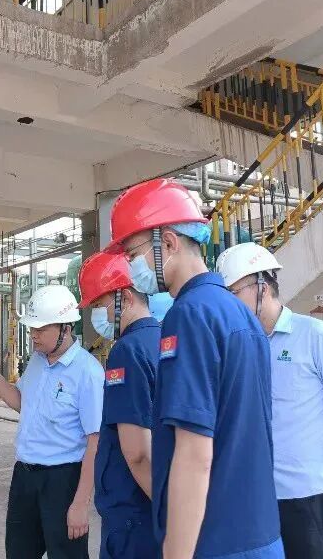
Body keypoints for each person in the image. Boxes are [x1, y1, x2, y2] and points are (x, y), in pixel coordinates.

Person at [108, 178, 284, 559]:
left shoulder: (188, 315)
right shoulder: (240, 313)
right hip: (259, 534)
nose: (131, 268)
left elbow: (194, 453)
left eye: (133, 254)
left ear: (169, 243)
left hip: (213, 540)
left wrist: (176, 551)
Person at [217, 242, 323, 559]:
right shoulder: (240, 347)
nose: (228, 304)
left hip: (312, 494)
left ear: (263, 285)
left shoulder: (316, 336)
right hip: (262, 498)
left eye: (233, 293)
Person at [0, 284, 104, 559]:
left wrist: (81, 504)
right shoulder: (37, 361)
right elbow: (23, 403)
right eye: (32, 328)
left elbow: (95, 442)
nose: (33, 335)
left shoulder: (88, 372)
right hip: (24, 476)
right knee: (19, 553)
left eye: (41, 328)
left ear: (65, 328)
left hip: (62, 480)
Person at [78, 251, 159, 558]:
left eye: (99, 305)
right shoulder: (163, 339)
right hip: (150, 509)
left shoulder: (126, 351)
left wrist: (167, 510)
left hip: (132, 517)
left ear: (124, 298)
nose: (95, 315)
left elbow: (137, 453)